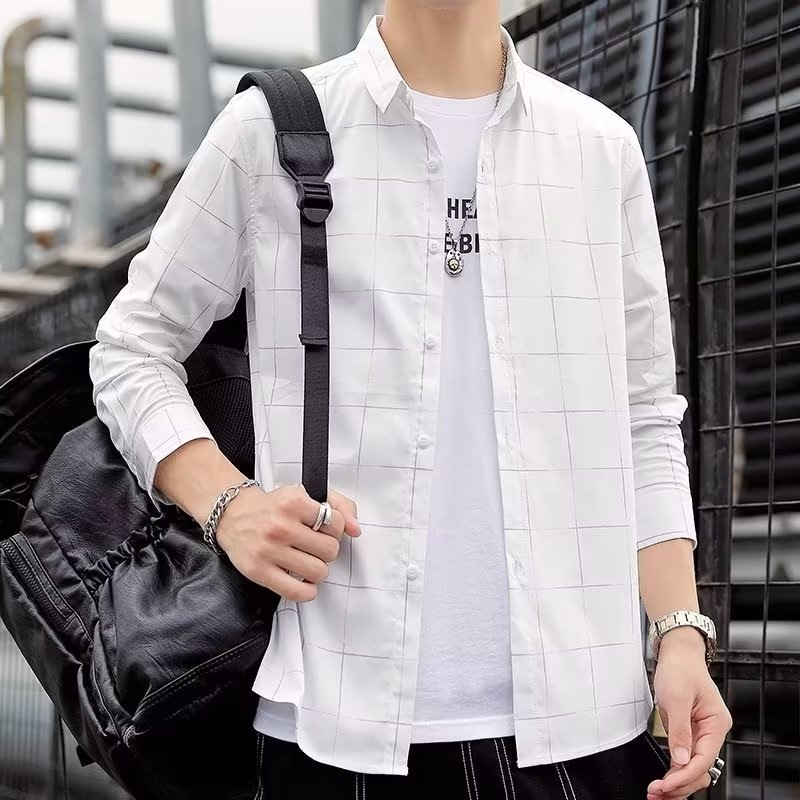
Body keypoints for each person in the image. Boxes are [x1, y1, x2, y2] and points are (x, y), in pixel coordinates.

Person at [88, 1, 733, 798]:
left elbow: (643, 413)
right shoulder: (267, 134)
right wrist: (230, 504)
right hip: (337, 726)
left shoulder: (600, 148)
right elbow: (131, 347)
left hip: (587, 725)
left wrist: (679, 635)